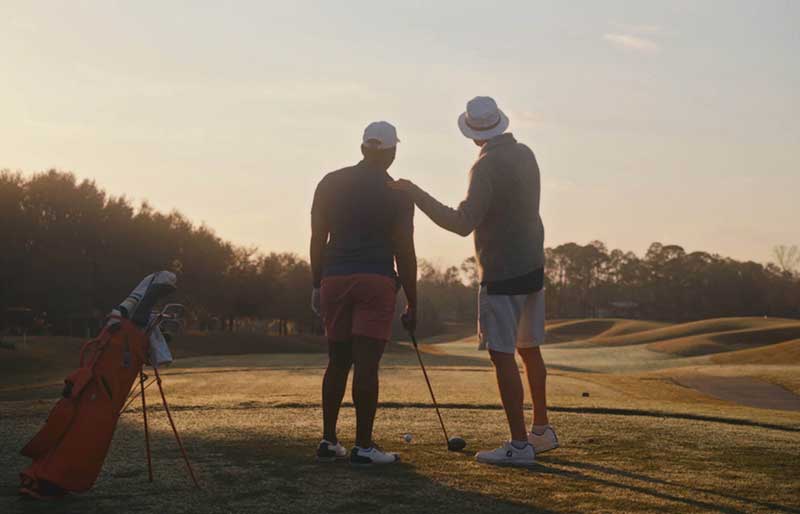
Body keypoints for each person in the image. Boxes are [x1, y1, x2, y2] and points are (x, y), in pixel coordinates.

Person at [389, 97, 557, 467]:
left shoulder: (484, 166)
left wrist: (416, 194)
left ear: (472, 132)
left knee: (502, 354)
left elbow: (462, 222)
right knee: (529, 349)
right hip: (533, 266)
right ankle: (541, 430)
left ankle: (518, 444)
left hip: (502, 272)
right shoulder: (526, 153)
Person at [310, 121, 417, 466]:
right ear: (392, 151)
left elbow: (317, 238)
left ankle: (329, 440)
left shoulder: (330, 182)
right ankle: (364, 446)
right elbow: (405, 249)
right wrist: (413, 300)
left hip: (334, 278)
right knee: (367, 364)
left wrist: (317, 282)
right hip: (375, 279)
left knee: (338, 361)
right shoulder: (398, 191)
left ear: (361, 149)